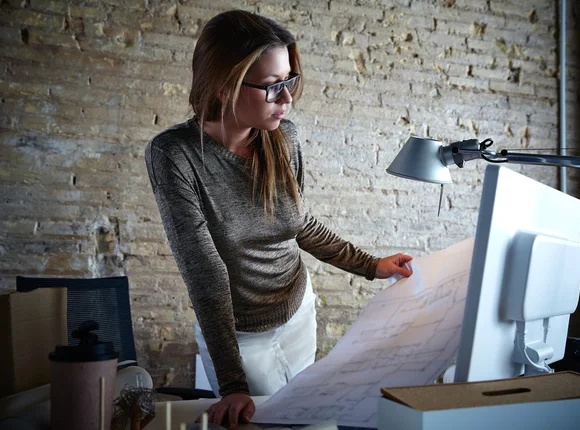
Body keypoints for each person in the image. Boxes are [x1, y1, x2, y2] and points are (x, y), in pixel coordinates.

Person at [145, 9, 413, 429]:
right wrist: (233, 382)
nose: (287, 99)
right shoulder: (174, 155)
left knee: (308, 422)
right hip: (239, 336)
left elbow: (298, 223)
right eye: (272, 87)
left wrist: (370, 265)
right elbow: (205, 272)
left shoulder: (284, 137)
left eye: (289, 81)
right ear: (224, 84)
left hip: (296, 312)